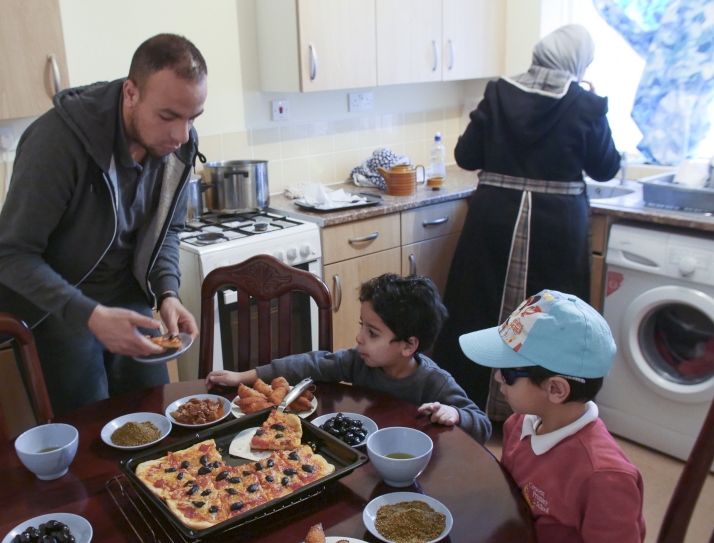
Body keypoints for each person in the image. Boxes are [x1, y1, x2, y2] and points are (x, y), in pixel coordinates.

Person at [0, 34, 207, 416]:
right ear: (130, 93)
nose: (182, 135)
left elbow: (167, 231)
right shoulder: (58, 141)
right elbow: (9, 255)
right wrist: (90, 315)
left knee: (154, 418)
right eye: (168, 116)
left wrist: (168, 292)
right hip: (55, 307)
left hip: (126, 295)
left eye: (192, 118)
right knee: (91, 432)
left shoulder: (177, 143)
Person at [431, 24, 622, 416]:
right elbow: (605, 168)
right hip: (557, 227)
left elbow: (466, 157)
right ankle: (540, 412)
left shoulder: (499, 91)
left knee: (477, 304)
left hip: (494, 219)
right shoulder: (585, 103)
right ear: (578, 62)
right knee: (552, 320)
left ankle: (461, 405)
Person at [206, 274, 491, 445]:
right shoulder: (358, 361)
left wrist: (456, 414)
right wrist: (242, 377)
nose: (359, 338)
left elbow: (483, 426)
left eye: (373, 333)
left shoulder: (435, 383)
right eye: (361, 326)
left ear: (408, 346)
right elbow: (309, 363)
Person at [460, 289, 645, 542]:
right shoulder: (519, 424)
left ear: (556, 389)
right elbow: (509, 498)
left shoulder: (604, 479)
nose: (497, 378)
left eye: (508, 373)